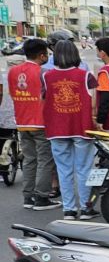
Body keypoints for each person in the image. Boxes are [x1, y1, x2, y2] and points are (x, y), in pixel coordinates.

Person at [43, 40, 99, 219]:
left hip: (56, 128)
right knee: (84, 169)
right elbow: (93, 104)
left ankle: (69, 209)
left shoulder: (46, 76)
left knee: (63, 169)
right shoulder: (86, 76)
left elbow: (44, 102)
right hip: (82, 127)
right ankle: (86, 208)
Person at [9, 39, 56, 210]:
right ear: (42, 55)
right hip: (41, 123)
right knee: (45, 161)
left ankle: (28, 198)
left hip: (21, 121)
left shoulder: (13, 71)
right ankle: (42, 197)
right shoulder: (44, 73)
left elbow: (14, 94)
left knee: (29, 160)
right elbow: (50, 98)